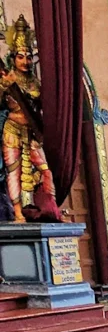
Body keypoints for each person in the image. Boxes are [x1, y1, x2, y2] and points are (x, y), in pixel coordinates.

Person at [1, 15, 59, 223]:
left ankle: (51, 208)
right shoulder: (7, 78)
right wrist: (4, 86)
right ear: (13, 58)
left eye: (28, 57)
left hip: (32, 132)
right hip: (12, 130)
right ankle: (17, 214)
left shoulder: (35, 82)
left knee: (46, 171)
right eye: (21, 56)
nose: (25, 61)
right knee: (13, 173)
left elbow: (43, 108)